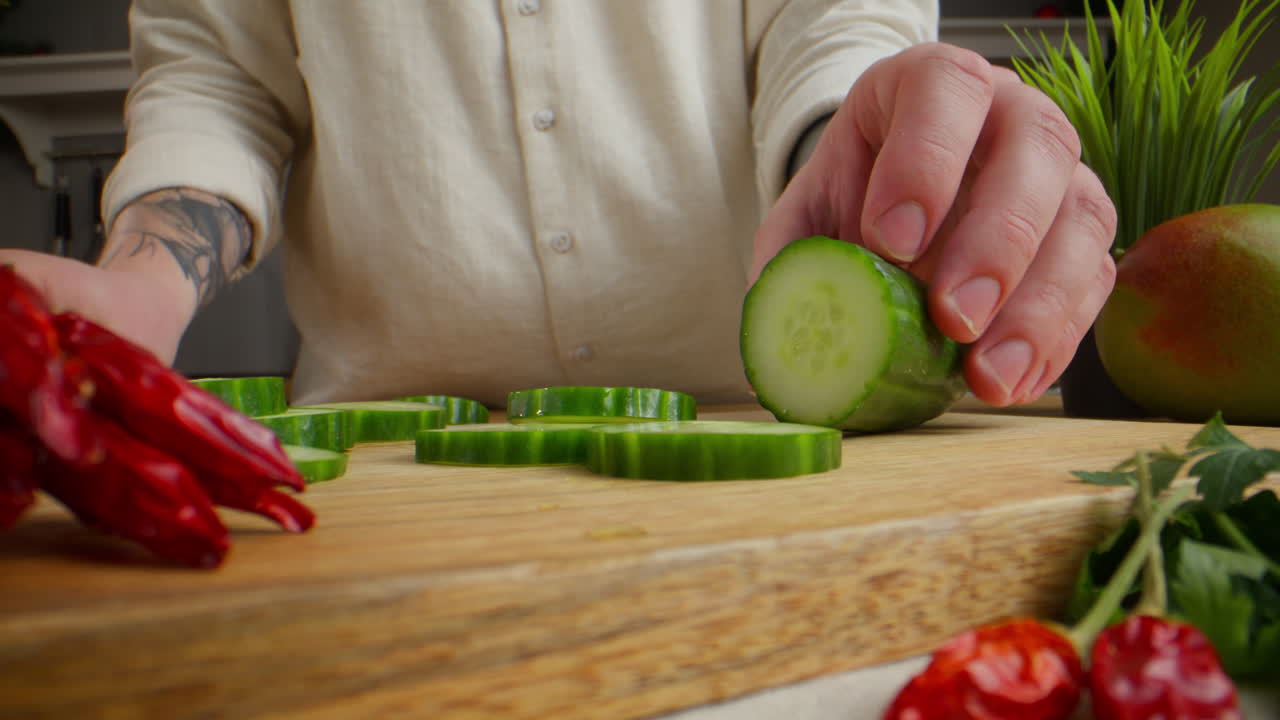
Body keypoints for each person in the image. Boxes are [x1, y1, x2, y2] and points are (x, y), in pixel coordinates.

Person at [0, 1, 1116, 410]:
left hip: (757, 436)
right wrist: (142, 280)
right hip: (390, 468)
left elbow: (832, 28)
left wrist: (859, 170)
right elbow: (219, 72)